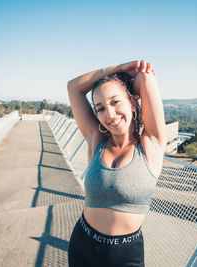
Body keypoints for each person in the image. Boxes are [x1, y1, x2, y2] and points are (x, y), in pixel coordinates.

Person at [67, 60, 166, 267]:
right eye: (100, 108)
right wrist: (118, 69)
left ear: (132, 102)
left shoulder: (151, 145)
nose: (109, 115)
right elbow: (73, 88)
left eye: (115, 102)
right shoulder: (97, 140)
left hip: (124, 256)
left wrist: (126, 75)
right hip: (82, 244)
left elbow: (145, 78)